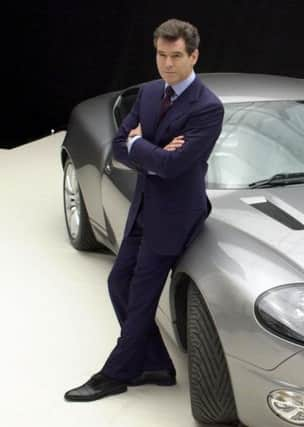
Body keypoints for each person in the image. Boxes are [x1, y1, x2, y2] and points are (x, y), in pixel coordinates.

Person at [64, 18, 224, 402]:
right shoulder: (151, 93)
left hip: (175, 215)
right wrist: (147, 150)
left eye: (176, 56)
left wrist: (141, 146)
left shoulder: (207, 108)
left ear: (193, 55)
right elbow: (120, 145)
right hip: (144, 205)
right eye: (161, 55)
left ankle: (115, 373)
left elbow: (175, 165)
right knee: (118, 281)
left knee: (141, 295)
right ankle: (155, 365)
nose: (167, 64)